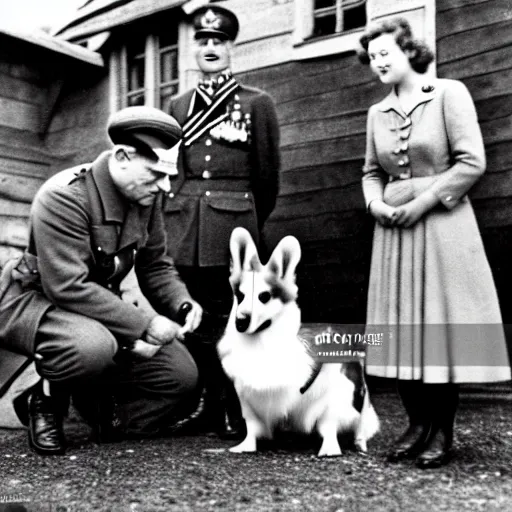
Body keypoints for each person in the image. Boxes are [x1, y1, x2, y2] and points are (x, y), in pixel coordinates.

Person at [0, 106, 204, 455]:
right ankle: (44, 399)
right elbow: (67, 287)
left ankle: (104, 414)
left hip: (97, 309)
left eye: (169, 175)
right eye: (156, 174)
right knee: (92, 347)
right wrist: (145, 325)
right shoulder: (64, 196)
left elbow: (155, 263)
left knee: (180, 375)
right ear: (122, 156)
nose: (165, 186)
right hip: (37, 303)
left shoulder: (144, 196)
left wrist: (180, 303)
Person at [358, 18, 511, 468]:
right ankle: (416, 425)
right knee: (402, 329)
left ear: (410, 50)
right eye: (373, 57)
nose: (379, 62)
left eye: (387, 52)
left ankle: (442, 431)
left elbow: (471, 162)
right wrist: (375, 206)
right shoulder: (376, 113)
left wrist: (423, 202)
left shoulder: (448, 93)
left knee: (438, 331)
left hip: (442, 224)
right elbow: (372, 172)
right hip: (393, 231)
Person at [162, 5, 280, 437]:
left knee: (231, 315)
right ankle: (206, 403)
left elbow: (267, 178)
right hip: (183, 225)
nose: (210, 48)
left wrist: (246, 222)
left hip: (231, 225)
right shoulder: (177, 105)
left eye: (219, 41)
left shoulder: (256, 104)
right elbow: (173, 170)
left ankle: (234, 406)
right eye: (203, 41)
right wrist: (176, 216)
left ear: (232, 48)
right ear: (194, 49)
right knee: (192, 313)